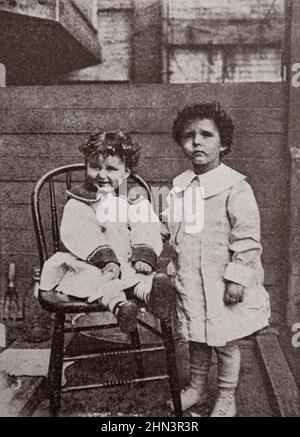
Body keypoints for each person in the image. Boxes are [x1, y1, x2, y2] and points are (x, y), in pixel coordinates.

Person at [164, 103, 270, 417]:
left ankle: (226, 395)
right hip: (192, 281)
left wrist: (236, 279)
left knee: (224, 342)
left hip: (223, 283)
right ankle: (197, 387)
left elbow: (248, 238)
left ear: (222, 143)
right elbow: (169, 225)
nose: (196, 141)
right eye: (189, 136)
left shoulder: (235, 187)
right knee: (196, 336)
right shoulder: (180, 187)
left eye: (206, 134)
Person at [39, 130, 174, 334]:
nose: (101, 174)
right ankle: (121, 308)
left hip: (127, 260)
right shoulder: (79, 202)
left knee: (139, 274)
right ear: (86, 166)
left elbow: (145, 225)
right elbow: (80, 234)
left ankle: (152, 297)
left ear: (126, 172)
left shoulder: (131, 201)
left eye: (111, 169)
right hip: (89, 262)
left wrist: (144, 255)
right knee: (95, 279)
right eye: (94, 167)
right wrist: (106, 260)